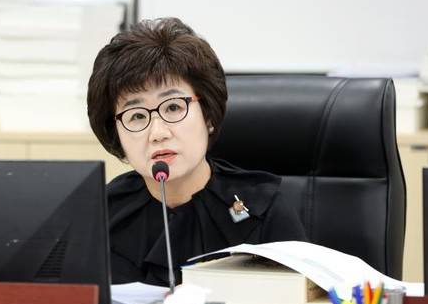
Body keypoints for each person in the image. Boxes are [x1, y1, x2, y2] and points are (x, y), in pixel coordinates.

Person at [87, 17, 306, 286]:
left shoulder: (263, 209)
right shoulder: (101, 215)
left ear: (208, 116)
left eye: (173, 107)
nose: (158, 133)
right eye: (137, 116)